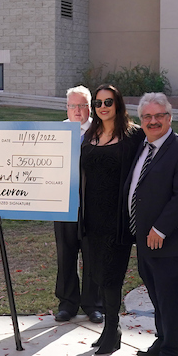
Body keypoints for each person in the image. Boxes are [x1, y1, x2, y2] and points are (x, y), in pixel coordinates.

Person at [126, 92, 178, 356]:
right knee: (157, 296)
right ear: (141, 121)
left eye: (159, 116)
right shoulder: (143, 147)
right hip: (145, 240)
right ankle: (162, 340)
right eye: (147, 117)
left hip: (169, 241)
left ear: (169, 118)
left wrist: (160, 229)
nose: (153, 121)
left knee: (170, 299)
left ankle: (173, 354)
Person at [79, 84, 143, 354]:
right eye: (98, 103)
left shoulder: (133, 135)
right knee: (97, 273)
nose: (102, 107)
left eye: (108, 102)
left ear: (118, 104)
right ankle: (108, 326)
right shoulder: (89, 134)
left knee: (112, 274)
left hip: (117, 218)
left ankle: (113, 329)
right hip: (91, 216)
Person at [55, 86, 98, 323]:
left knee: (92, 255)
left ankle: (93, 304)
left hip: (93, 206)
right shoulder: (57, 132)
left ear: (89, 108)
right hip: (64, 204)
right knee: (66, 254)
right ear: (67, 108)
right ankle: (67, 303)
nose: (78, 110)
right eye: (73, 106)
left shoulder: (99, 131)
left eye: (82, 105)